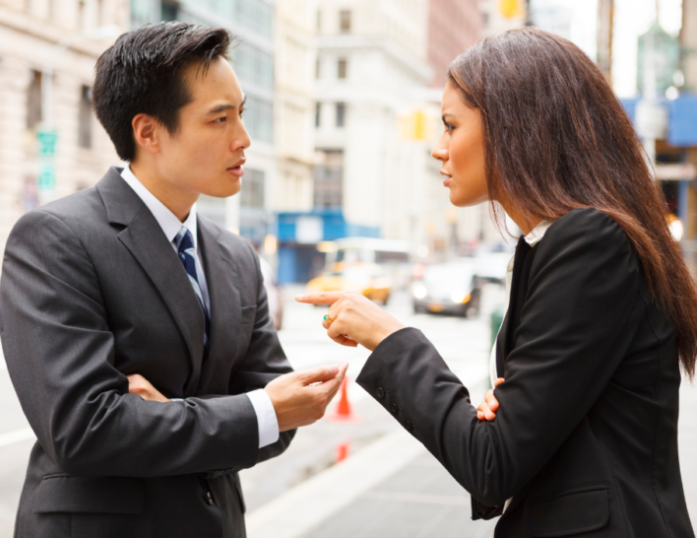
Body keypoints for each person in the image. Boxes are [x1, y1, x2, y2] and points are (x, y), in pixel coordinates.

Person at [298, 28, 697, 537]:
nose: (438, 149)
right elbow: (513, 444)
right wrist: (500, 414)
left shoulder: (590, 241)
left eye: (450, 126)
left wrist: (390, 339)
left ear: (515, 126)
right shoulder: (548, 244)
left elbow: (493, 462)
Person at [0, 23, 346, 538]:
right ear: (148, 133)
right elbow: (83, 430)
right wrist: (250, 413)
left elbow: (280, 414)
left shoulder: (235, 256)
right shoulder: (56, 238)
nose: (243, 140)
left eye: (241, 114)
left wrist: (180, 416)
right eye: (219, 119)